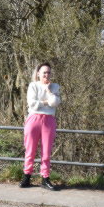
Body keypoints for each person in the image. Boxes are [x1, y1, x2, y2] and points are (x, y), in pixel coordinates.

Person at [20, 62, 61, 191]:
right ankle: (27, 176)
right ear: (38, 73)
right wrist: (45, 102)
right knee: (30, 150)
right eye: (44, 72)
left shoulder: (54, 87)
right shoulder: (33, 85)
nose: (46, 75)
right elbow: (32, 104)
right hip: (34, 119)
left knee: (46, 152)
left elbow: (54, 103)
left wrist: (49, 91)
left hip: (48, 120)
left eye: (49, 72)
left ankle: (45, 178)